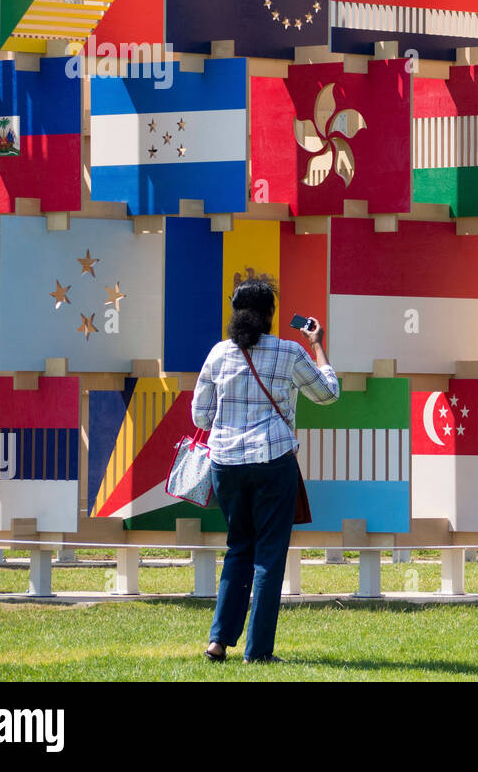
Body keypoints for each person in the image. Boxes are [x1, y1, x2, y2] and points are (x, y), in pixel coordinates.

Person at [193, 276, 340, 663]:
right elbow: (327, 393)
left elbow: (200, 416)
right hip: (273, 463)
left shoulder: (218, 354)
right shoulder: (289, 352)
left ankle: (218, 641)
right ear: (270, 316)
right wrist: (317, 344)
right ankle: (258, 653)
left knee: (237, 548)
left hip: (225, 465)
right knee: (269, 556)